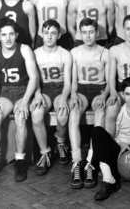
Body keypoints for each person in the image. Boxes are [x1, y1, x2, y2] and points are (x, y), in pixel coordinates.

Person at [0, 17, 39, 182]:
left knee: (21, 116)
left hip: (23, 90)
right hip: (6, 92)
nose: (7, 38)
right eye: (3, 34)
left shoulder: (25, 49)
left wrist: (26, 100)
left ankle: (20, 162)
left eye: (11, 34)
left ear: (16, 35)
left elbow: (34, 77)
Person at [68, 18, 110, 189]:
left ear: (97, 33)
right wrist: (73, 94)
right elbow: (73, 81)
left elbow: (109, 81)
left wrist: (105, 95)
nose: (87, 35)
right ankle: (77, 161)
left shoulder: (105, 52)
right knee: (74, 112)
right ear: (79, 34)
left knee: (100, 112)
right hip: (82, 90)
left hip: (99, 89)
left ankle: (91, 161)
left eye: (91, 32)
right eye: (84, 32)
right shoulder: (75, 52)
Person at [30, 20, 73, 176]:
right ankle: (45, 153)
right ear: (41, 33)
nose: (49, 36)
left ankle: (60, 143)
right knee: (36, 113)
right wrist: (37, 94)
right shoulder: (35, 54)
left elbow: (68, 83)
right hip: (43, 89)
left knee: (62, 114)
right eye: (46, 33)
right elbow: (34, 79)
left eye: (53, 33)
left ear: (59, 35)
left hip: (60, 88)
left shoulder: (65, 54)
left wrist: (63, 97)